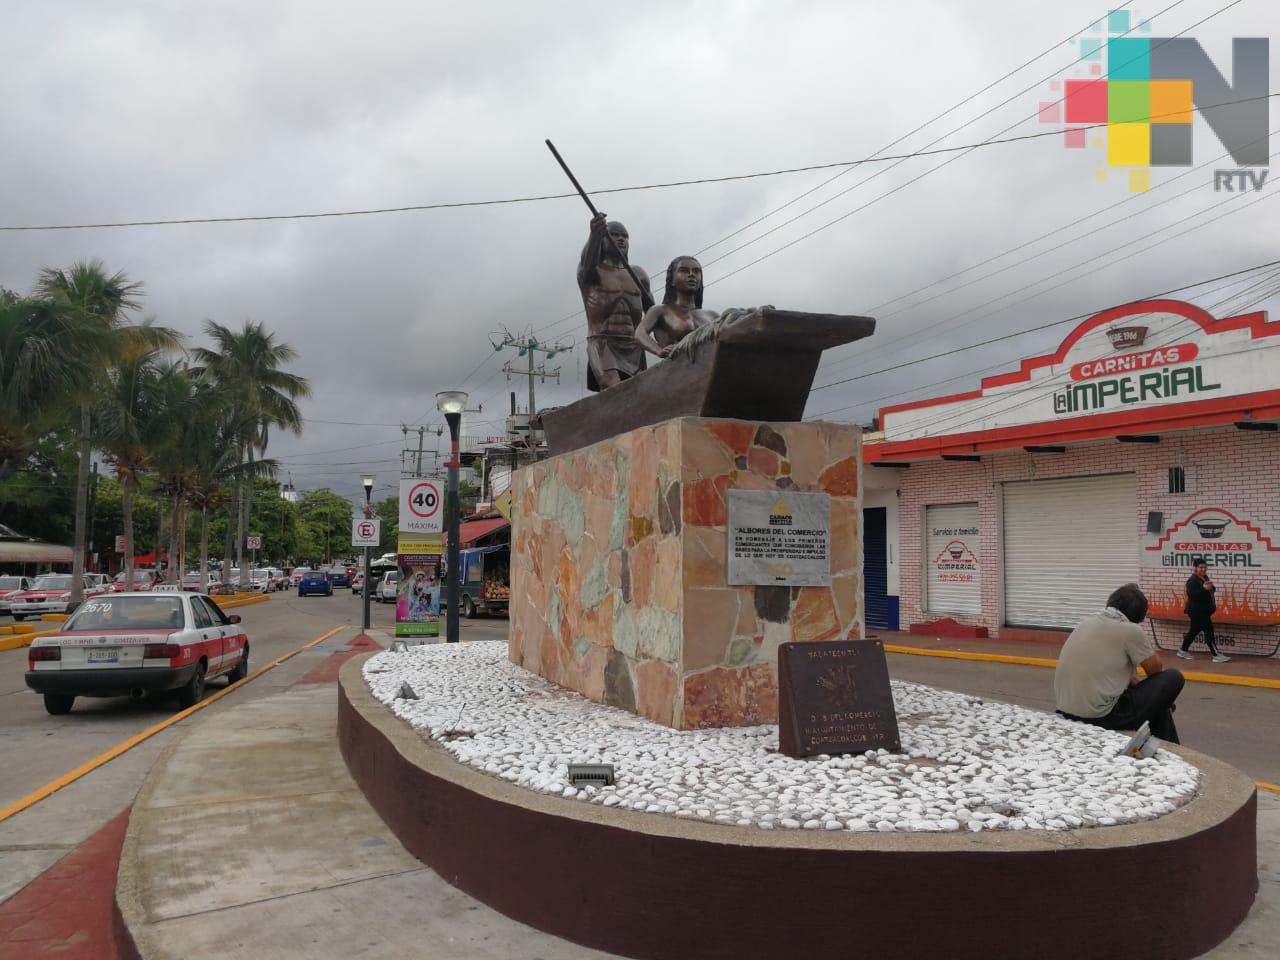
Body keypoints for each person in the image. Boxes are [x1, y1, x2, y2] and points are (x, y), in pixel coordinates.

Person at [1054, 583, 1184, 743]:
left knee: (1157, 705)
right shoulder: (1130, 630)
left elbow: (1106, 670)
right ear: (1138, 616)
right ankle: (1174, 749)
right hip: (1100, 716)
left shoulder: (1085, 623)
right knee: (1173, 677)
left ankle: (1169, 747)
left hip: (1066, 710)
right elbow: (1155, 670)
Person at [577, 212, 651, 391]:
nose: (621, 239)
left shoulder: (638, 274)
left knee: (642, 398)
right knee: (615, 393)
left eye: (624, 236)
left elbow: (654, 313)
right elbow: (586, 263)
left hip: (634, 347)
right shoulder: (592, 272)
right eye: (614, 235)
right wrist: (594, 235)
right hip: (604, 345)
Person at [635, 256, 720, 359]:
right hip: (678, 369)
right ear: (672, 280)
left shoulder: (713, 315)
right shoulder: (660, 311)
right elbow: (640, 333)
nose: (691, 274)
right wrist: (659, 350)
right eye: (684, 271)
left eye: (696, 271)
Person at [1179, 558, 1230, 663]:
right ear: (1195, 568)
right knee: (1209, 631)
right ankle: (1216, 655)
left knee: (1194, 631)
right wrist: (1204, 589)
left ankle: (1182, 650)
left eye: (1205, 567)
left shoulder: (1205, 578)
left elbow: (1212, 589)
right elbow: (1192, 595)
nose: (1203, 569)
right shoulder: (1192, 580)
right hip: (1197, 611)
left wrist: (1210, 587)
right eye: (1200, 567)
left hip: (1203, 611)